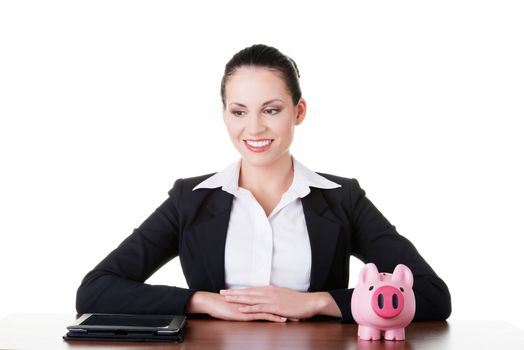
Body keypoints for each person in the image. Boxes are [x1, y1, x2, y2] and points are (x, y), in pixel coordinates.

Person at [75, 43, 452, 323]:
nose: (253, 128)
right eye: (239, 111)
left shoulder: (342, 200)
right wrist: (202, 301)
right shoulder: (190, 200)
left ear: (298, 111)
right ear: (224, 114)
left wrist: (319, 301)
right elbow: (95, 290)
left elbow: (433, 295)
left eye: (271, 110)